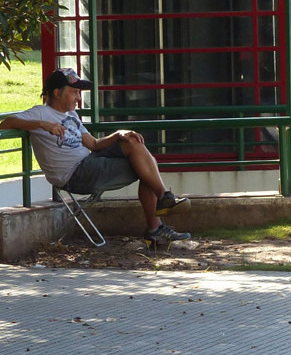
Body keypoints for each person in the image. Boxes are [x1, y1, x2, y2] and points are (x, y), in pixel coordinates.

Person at [0, 68, 190, 248]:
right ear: (57, 93)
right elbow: (6, 122)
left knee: (134, 144)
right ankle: (158, 219)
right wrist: (43, 125)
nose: (78, 98)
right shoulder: (40, 113)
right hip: (75, 174)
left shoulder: (71, 114)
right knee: (145, 167)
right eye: (74, 92)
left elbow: (94, 144)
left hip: (90, 161)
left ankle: (163, 202)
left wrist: (119, 133)